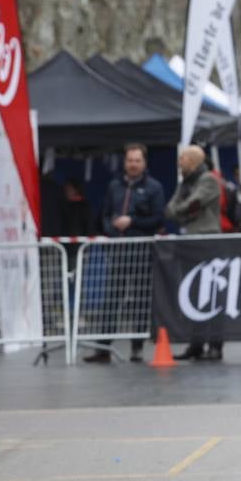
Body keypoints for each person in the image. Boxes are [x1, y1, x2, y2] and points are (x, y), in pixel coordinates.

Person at [83, 144, 167, 364]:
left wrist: (133, 222)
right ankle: (104, 347)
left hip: (141, 251)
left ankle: (137, 347)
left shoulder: (154, 188)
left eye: (137, 161)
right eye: (130, 160)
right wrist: (111, 229)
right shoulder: (114, 186)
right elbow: (106, 213)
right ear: (124, 162)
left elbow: (159, 219)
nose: (133, 164)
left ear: (144, 163)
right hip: (118, 251)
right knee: (111, 300)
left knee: (139, 300)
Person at [165, 145, 225, 361]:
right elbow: (171, 210)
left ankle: (216, 344)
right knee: (194, 293)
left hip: (207, 242)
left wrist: (183, 209)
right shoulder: (185, 183)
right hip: (191, 242)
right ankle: (196, 343)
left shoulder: (207, 180)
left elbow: (190, 206)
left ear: (193, 161)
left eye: (182, 158)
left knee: (211, 293)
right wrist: (183, 208)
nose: (179, 163)